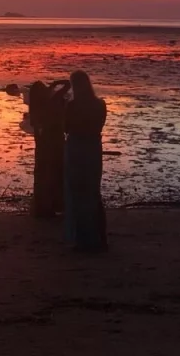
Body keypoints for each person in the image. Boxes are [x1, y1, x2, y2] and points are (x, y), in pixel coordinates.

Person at [64, 70, 108, 252]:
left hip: (76, 147)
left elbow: (65, 127)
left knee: (77, 194)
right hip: (93, 148)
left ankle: (82, 239)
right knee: (93, 192)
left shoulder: (72, 105)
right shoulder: (100, 104)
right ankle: (99, 237)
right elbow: (99, 125)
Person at [28, 79, 69, 218]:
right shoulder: (51, 102)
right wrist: (55, 83)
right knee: (56, 174)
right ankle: (55, 205)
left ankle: (42, 207)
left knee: (42, 175)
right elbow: (67, 85)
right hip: (55, 144)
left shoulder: (35, 110)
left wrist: (51, 87)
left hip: (42, 147)